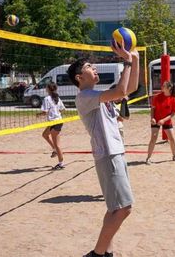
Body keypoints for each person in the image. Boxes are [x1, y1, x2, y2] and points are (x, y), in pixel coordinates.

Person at [67, 41, 139, 257]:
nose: (94, 68)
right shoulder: (85, 97)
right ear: (80, 77)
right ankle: (97, 254)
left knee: (114, 209)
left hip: (114, 153)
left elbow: (130, 88)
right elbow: (121, 90)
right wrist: (126, 61)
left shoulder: (97, 95)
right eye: (89, 66)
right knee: (125, 208)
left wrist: (134, 60)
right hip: (108, 155)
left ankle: (105, 251)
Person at [146, 81, 175, 164]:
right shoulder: (157, 97)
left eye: (164, 86)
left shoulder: (173, 99)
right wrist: (152, 118)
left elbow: (173, 113)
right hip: (156, 120)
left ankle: (174, 156)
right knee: (153, 138)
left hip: (166, 120)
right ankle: (148, 158)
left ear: (169, 88)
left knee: (172, 139)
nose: (162, 86)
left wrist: (164, 120)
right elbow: (153, 109)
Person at [36, 82, 66, 170]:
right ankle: (54, 150)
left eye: (46, 87)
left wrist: (38, 114)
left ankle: (61, 163)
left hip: (55, 122)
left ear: (48, 89)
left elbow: (44, 111)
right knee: (45, 135)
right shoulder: (57, 98)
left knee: (57, 144)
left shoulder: (47, 98)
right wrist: (56, 112)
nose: (45, 89)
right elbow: (63, 109)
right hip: (56, 121)